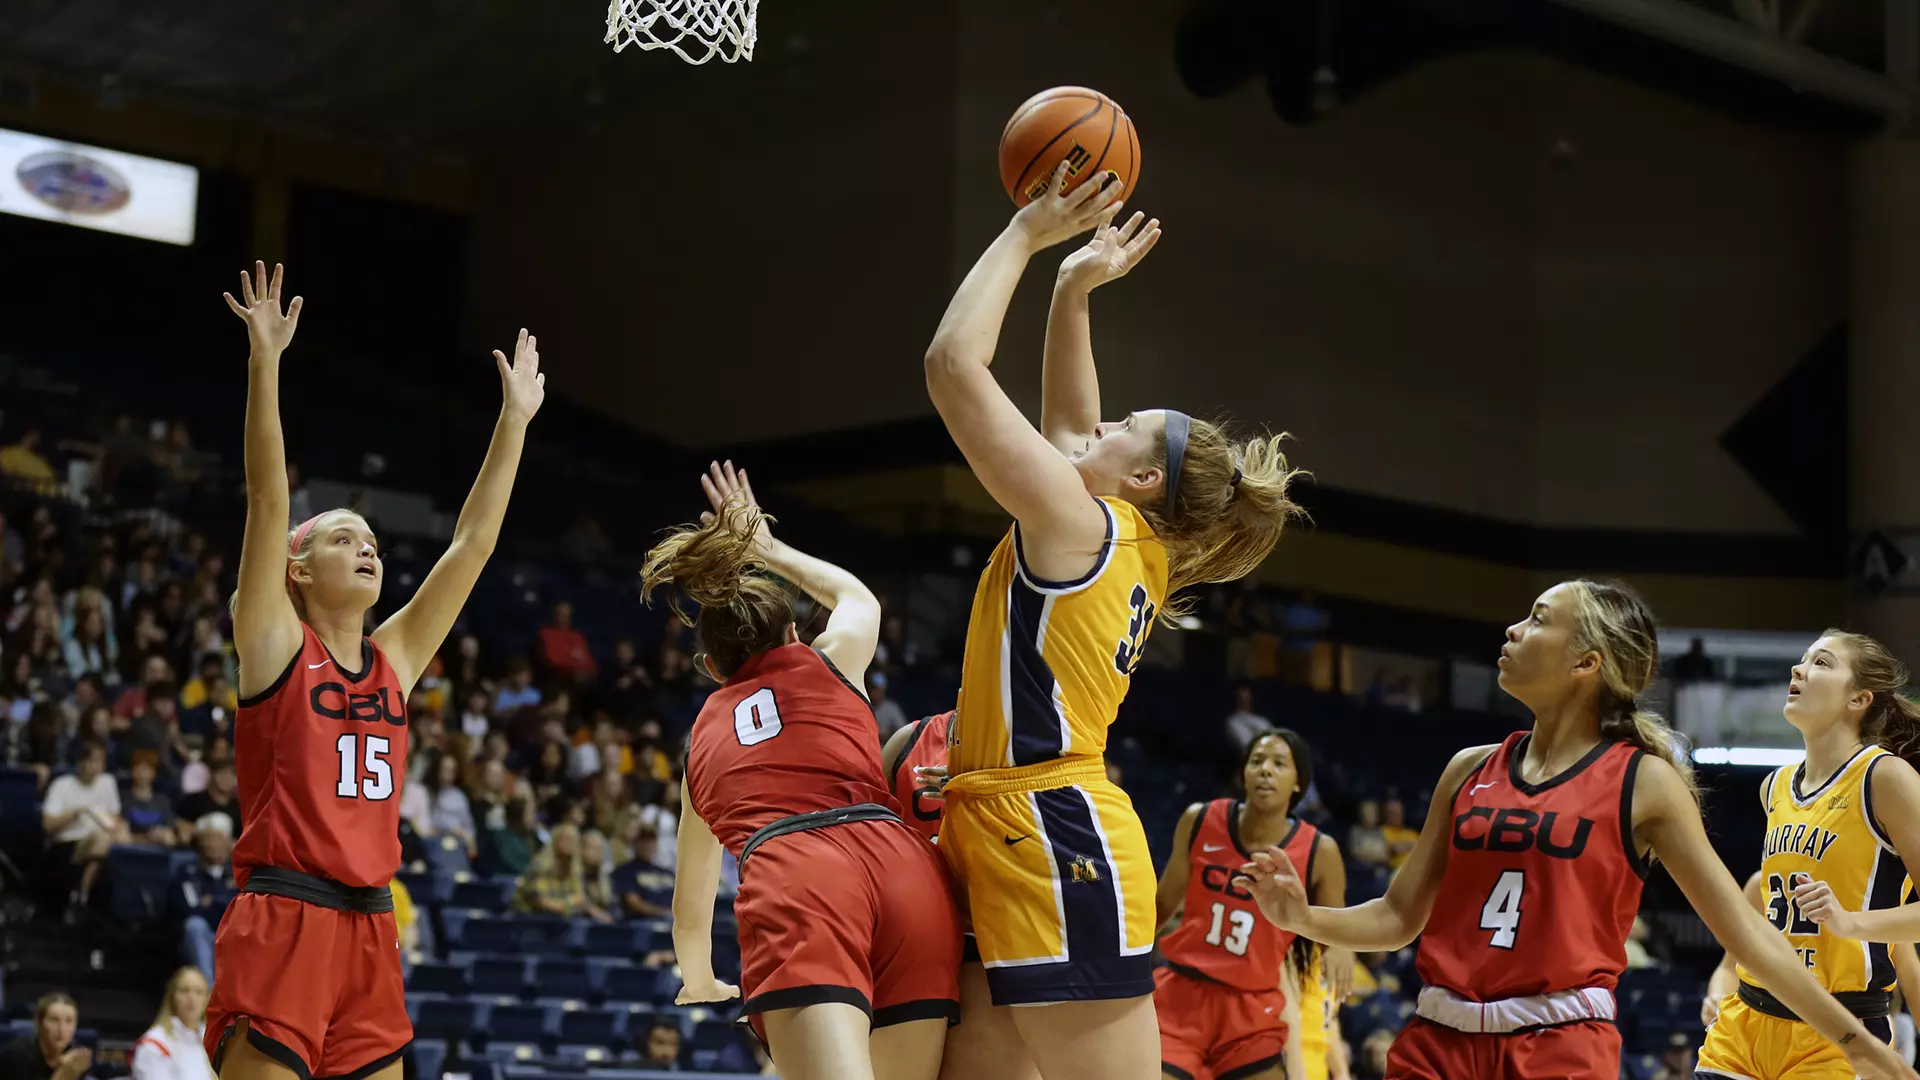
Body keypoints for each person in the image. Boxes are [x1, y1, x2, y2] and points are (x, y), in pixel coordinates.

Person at [922, 164, 1303, 1080]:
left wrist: (1026, 235)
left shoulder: (1077, 521)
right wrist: (1071, 289)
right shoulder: (1123, 534)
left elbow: (950, 367)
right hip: (1010, 820)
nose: (1106, 421)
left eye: (1130, 422)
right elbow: (1070, 427)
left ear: (1141, 477)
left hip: (1052, 828)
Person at [1235, 581, 1916, 1080]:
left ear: (1587, 662)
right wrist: (1301, 916)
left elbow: (1752, 941)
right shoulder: (1467, 769)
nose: (1512, 631)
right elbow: (1395, 916)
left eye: (1536, 620)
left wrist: (1859, 1045)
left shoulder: (1642, 781)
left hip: (1557, 1045)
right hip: (1434, 1041)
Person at [206, 262, 545, 1080]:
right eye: (342, 538)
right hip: (283, 916)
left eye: (372, 542)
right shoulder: (274, 643)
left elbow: (472, 546)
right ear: (296, 571)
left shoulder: (392, 658)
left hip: (370, 930)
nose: (365, 548)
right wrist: (265, 361)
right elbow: (265, 500)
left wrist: (516, 422)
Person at [647, 462, 960, 1080]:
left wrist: (701, 978)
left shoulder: (698, 744)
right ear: (793, 632)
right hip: (901, 866)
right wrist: (770, 549)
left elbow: (689, 906)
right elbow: (856, 597)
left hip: (799, 874)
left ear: (711, 666)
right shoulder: (831, 660)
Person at [1696, 630, 1920, 1079]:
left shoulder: (1886, 778)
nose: (1798, 669)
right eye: (1802, 660)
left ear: (1858, 699)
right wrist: (1721, 987)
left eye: (1821, 663)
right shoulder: (1774, 787)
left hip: (1839, 1028)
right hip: (1746, 1020)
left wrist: (1850, 922)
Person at [1153, 730, 1351, 1080]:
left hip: (1251, 1006)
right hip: (1183, 996)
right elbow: (1161, 906)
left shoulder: (1320, 851)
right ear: (1242, 773)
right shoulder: (1199, 820)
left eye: (1279, 764)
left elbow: (1335, 927)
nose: (1266, 770)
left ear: (1297, 783)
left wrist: (1339, 949)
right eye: (1257, 761)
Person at [42, 740, 126, 914]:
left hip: (103, 839)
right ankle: (83, 895)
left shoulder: (108, 782)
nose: (96, 766)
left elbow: (115, 817)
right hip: (67, 843)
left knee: (117, 835)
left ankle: (82, 894)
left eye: (100, 761)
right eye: (92, 761)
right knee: (102, 839)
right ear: (80, 762)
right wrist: (73, 814)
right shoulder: (62, 785)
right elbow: (47, 825)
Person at [172, 815, 236, 981]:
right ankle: (207, 994)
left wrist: (212, 902)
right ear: (200, 843)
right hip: (201, 939)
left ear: (230, 844)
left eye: (219, 840)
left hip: (232, 937)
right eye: (209, 839)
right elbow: (190, 911)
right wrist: (223, 904)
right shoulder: (188, 873)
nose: (213, 846)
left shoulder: (240, 874)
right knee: (195, 925)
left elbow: (244, 911)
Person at [132, 968, 214, 1080]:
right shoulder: (155, 1044)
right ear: (172, 997)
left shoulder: (214, 1042)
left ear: (207, 999)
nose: (192, 998)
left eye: (199, 992)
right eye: (184, 991)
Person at [0, 993, 89, 1080]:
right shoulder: (15, 1056)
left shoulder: (76, 1056)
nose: (62, 1029)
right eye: (54, 1020)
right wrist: (64, 1073)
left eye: (69, 1021)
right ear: (38, 1023)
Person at [612, 823, 675, 919]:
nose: (647, 846)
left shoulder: (668, 873)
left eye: (650, 841)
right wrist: (662, 913)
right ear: (634, 844)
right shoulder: (625, 871)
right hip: (643, 923)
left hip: (674, 921)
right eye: (642, 841)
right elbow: (633, 902)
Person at [175, 759, 241, 842]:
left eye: (231, 774)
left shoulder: (238, 809)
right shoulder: (194, 800)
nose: (227, 778)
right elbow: (180, 823)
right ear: (212, 776)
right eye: (222, 773)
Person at [125, 751, 179, 845]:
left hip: (159, 844)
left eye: (146, 769)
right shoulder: (123, 798)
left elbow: (170, 828)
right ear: (132, 771)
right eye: (138, 768)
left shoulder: (163, 801)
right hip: (131, 844)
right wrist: (145, 838)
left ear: (154, 773)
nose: (142, 774)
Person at [1224, 685, 1272, 755]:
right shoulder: (1233, 721)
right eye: (1241, 697)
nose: (1245, 700)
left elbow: (1274, 739)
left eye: (1247, 696)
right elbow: (1245, 744)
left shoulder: (1262, 720)